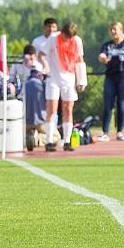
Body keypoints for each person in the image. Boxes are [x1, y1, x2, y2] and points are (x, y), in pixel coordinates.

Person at [41, 21, 85, 152]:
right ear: (63, 32)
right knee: (52, 109)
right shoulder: (53, 38)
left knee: (68, 109)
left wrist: (81, 80)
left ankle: (67, 141)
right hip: (53, 77)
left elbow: (79, 60)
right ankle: (49, 141)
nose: (67, 39)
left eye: (69, 37)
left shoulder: (77, 41)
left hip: (69, 77)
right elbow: (42, 54)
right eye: (66, 36)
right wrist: (46, 65)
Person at [97, 22, 124, 141]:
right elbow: (101, 55)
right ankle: (105, 132)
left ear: (121, 30)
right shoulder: (107, 45)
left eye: (115, 29)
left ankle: (120, 131)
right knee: (108, 104)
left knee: (121, 104)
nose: (113, 32)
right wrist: (102, 58)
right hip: (110, 78)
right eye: (111, 30)